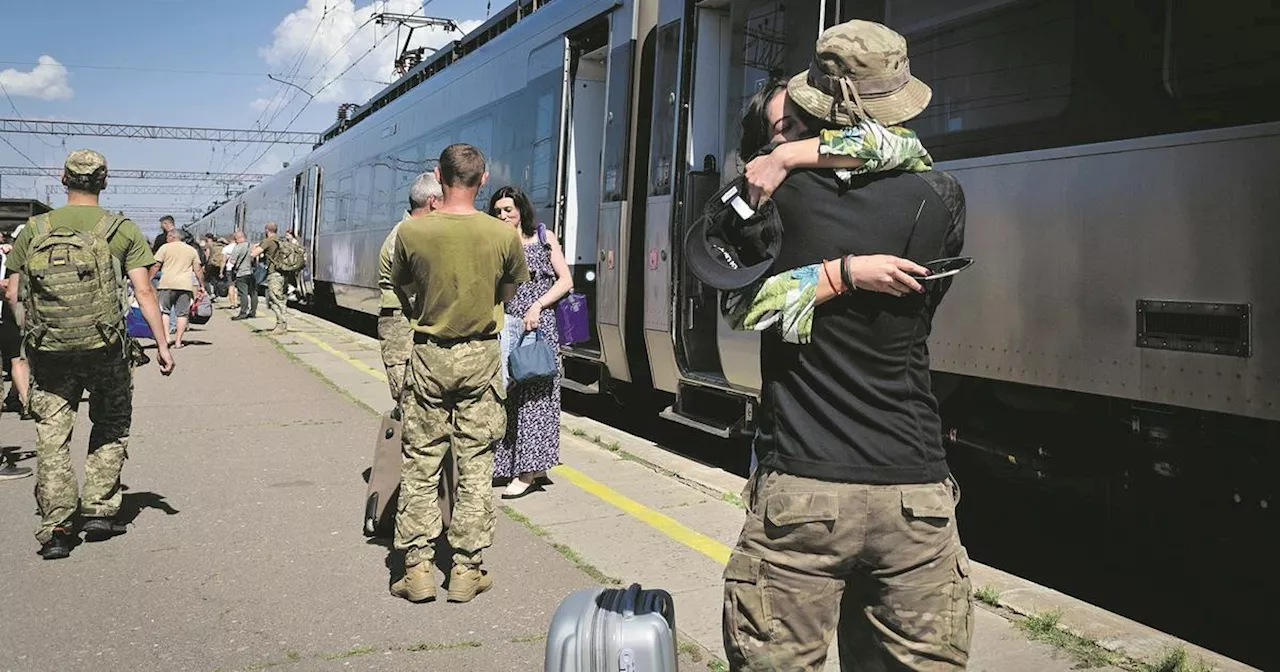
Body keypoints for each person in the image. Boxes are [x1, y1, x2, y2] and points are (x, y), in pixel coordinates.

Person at [697, 21, 972, 670]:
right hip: (916, 494)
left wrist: (789, 164)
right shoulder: (940, 196)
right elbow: (905, 153)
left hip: (805, 490)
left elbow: (740, 305)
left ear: (821, 105)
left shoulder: (775, 196)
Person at [5, 149, 174, 560]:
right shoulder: (121, 229)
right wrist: (163, 344)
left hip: (50, 352)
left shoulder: (34, 228)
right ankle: (99, 510)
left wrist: (32, 338)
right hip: (107, 348)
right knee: (111, 424)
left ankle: (58, 526)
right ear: (105, 180)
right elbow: (145, 292)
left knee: (52, 435)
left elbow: (13, 292)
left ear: (64, 179)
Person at [388, 143, 529, 604]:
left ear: (437, 175)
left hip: (429, 355)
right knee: (476, 464)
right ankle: (467, 570)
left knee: (422, 462)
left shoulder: (412, 232)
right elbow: (506, 292)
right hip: (481, 359)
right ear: (483, 179)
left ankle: (418, 570)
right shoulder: (503, 235)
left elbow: (406, 292)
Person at [488, 186, 572, 499]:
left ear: (521, 209)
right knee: (510, 395)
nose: (503, 215)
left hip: (540, 326)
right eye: (497, 211)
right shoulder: (497, 242)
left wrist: (537, 305)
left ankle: (528, 472)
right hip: (510, 325)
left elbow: (566, 280)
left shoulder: (543, 237)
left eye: (508, 209)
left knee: (536, 397)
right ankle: (518, 464)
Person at [379, 172, 441, 411]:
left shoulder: (413, 232)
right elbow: (415, 291)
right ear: (433, 202)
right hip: (400, 323)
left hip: (408, 320)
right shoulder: (404, 236)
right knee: (408, 397)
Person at [152, 229, 205, 349]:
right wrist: (202, 285)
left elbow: (156, 265)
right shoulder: (191, 250)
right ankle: (178, 341)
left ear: (171, 236)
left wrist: (148, 278)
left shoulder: (165, 248)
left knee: (164, 311)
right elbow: (198, 269)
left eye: (168, 236)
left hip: (166, 284)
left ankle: (166, 338)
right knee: (182, 314)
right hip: (185, 286)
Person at [250, 221, 289, 334]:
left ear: (266, 230)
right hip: (282, 273)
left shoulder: (268, 241)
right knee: (280, 298)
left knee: (274, 299)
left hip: (274, 274)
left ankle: (281, 325)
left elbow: (253, 254)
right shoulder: (280, 240)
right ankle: (282, 323)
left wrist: (254, 247)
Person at [229, 231, 257, 320]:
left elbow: (232, 261)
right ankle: (253, 312)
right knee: (253, 293)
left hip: (241, 273)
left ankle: (243, 312)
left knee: (243, 293)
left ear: (236, 238)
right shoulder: (251, 246)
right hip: (251, 273)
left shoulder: (237, 248)